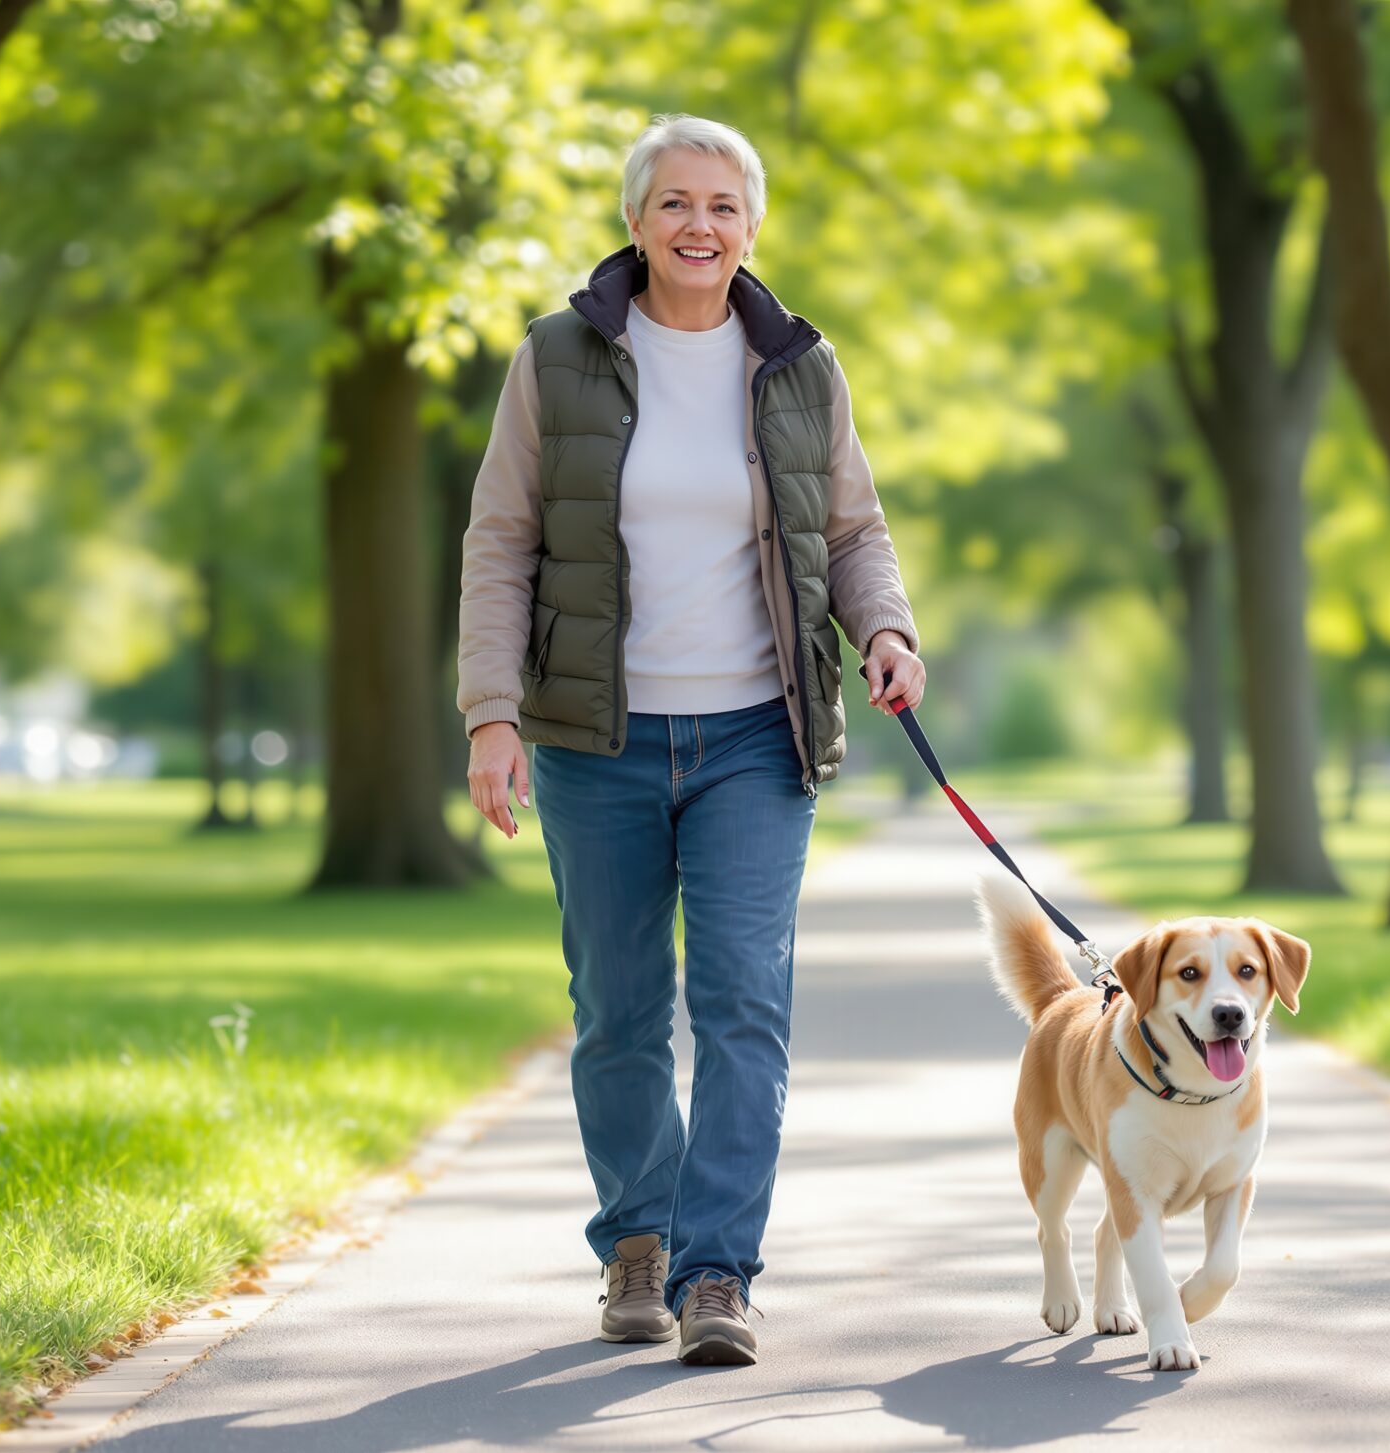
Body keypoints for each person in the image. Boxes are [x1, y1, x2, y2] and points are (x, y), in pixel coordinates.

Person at [455, 112, 924, 1367]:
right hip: (593, 740)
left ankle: (718, 1271)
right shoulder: (557, 359)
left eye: (722, 205)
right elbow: (501, 542)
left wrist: (885, 630)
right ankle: (638, 1243)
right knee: (615, 1010)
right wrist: (490, 713)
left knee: (741, 1007)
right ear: (635, 221)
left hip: (755, 740)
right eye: (675, 203)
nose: (699, 226)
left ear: (751, 225)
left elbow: (854, 530)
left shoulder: (800, 368)